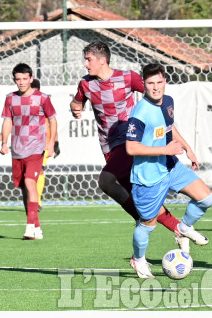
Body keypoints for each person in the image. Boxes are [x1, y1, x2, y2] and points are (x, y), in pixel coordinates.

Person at [70, 41, 187, 248]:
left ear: (102, 60)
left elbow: (155, 97)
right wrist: (75, 108)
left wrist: (166, 131)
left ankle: (146, 221)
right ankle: (180, 229)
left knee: (106, 181)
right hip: (108, 147)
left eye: (89, 59)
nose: (85, 64)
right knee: (140, 198)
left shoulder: (128, 78)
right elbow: (77, 102)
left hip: (129, 142)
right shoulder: (86, 83)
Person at [126, 63, 212, 279]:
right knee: (147, 225)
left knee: (206, 199)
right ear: (144, 85)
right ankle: (138, 260)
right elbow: (131, 147)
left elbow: (170, 127)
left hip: (170, 165)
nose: (155, 87)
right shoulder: (140, 112)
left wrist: (188, 149)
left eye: (159, 82)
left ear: (165, 81)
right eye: (150, 83)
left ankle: (183, 228)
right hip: (148, 177)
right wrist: (165, 148)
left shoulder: (168, 101)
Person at [0, 63, 57, 240]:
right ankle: (37, 227)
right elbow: (7, 121)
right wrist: (4, 142)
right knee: (24, 188)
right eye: (18, 79)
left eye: (25, 79)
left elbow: (53, 120)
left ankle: (30, 226)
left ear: (31, 79)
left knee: (30, 182)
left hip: (36, 148)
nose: (21, 82)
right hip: (17, 150)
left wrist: (51, 144)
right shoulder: (10, 99)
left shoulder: (42, 98)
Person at [0, 79, 60, 211]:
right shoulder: (20, 106)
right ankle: (32, 205)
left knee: (39, 172)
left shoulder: (42, 103)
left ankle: (38, 202)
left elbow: (52, 123)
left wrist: (55, 143)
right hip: (23, 147)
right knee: (27, 178)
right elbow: (12, 125)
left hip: (40, 145)